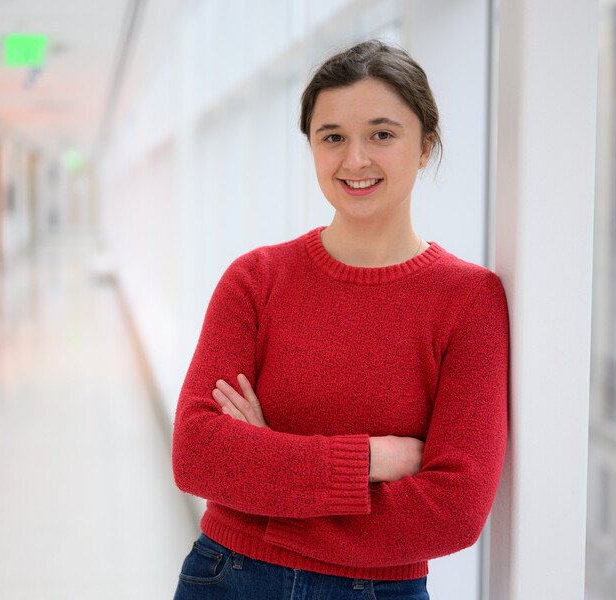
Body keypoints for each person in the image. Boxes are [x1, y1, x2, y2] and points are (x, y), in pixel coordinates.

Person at [171, 39, 508, 600]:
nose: (355, 160)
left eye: (382, 134)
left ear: (425, 146)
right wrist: (371, 460)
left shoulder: (469, 300)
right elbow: (197, 454)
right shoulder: (255, 279)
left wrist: (270, 481)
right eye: (333, 137)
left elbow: (453, 511)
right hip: (228, 578)